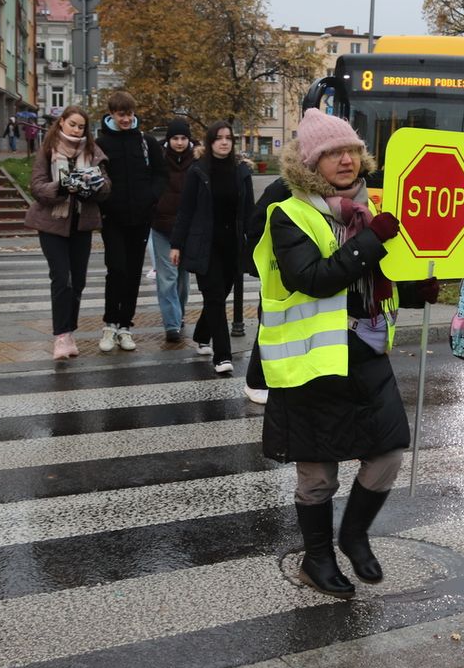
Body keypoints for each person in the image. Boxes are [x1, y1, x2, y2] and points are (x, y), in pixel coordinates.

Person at [253, 108, 438, 599]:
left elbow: (375, 278)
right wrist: (374, 240)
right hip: (313, 362)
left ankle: (354, 535)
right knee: (318, 474)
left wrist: (418, 289)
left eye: (351, 150)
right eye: (333, 152)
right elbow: (311, 279)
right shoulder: (287, 213)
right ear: (311, 163)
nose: (346, 160)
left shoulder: (373, 207)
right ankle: (317, 557)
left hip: (366, 353)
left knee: (388, 454)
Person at [23, 105, 111, 360]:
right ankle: (61, 336)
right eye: (72, 123)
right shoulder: (48, 150)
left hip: (81, 225)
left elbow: (106, 187)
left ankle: (69, 331)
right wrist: (62, 186)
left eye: (81, 126)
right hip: (52, 224)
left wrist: (92, 186)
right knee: (62, 279)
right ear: (61, 123)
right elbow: (37, 187)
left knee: (78, 282)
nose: (76, 129)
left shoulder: (93, 152)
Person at [170, 121, 254, 374]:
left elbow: (249, 211)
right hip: (204, 244)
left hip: (232, 246)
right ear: (210, 142)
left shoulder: (242, 172)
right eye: (218, 138)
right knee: (215, 297)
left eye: (228, 137)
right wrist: (176, 244)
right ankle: (222, 355)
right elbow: (185, 211)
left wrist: (256, 239)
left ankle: (201, 333)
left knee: (219, 295)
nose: (224, 142)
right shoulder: (198, 171)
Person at [95, 91, 167, 352]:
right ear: (112, 114)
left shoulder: (146, 142)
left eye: (130, 114)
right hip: (112, 219)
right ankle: (109, 324)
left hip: (140, 218)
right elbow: (95, 177)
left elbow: (160, 174)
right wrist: (106, 204)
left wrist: (151, 197)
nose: (126, 119)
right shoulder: (100, 143)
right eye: (121, 114)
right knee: (116, 269)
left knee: (134, 271)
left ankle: (125, 326)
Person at [243, 174, 291, 404]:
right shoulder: (282, 187)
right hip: (279, 271)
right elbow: (256, 225)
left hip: (296, 268)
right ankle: (257, 380)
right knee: (270, 324)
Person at [150, 118, 195, 342]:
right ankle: (172, 325)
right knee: (167, 277)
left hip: (186, 228)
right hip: (161, 227)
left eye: (183, 138)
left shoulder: (196, 161)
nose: (179, 142)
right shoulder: (158, 159)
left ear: (189, 140)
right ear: (168, 140)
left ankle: (179, 315)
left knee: (182, 280)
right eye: (175, 138)